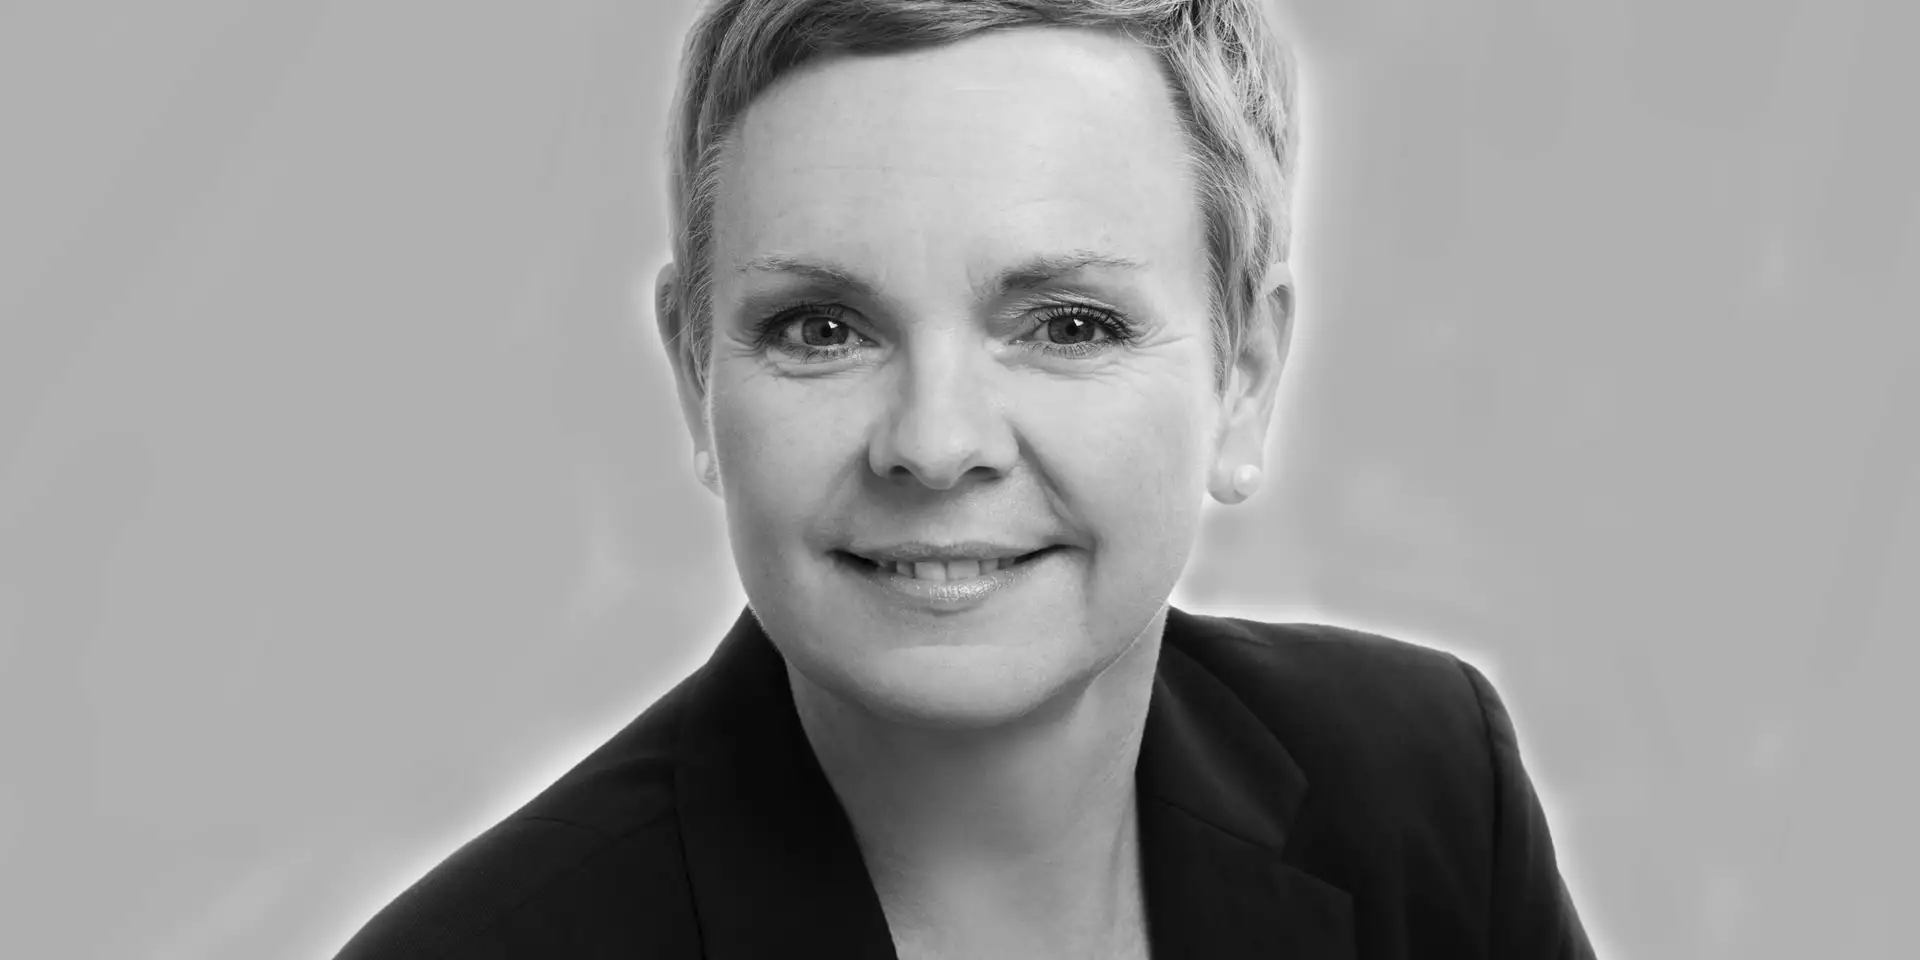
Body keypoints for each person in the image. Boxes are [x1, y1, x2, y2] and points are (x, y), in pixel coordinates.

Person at [335, 1, 1595, 957]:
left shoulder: (1427, 785)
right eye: (822, 329)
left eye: (1069, 324)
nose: (935, 445)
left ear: (1245, 375)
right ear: (693, 376)